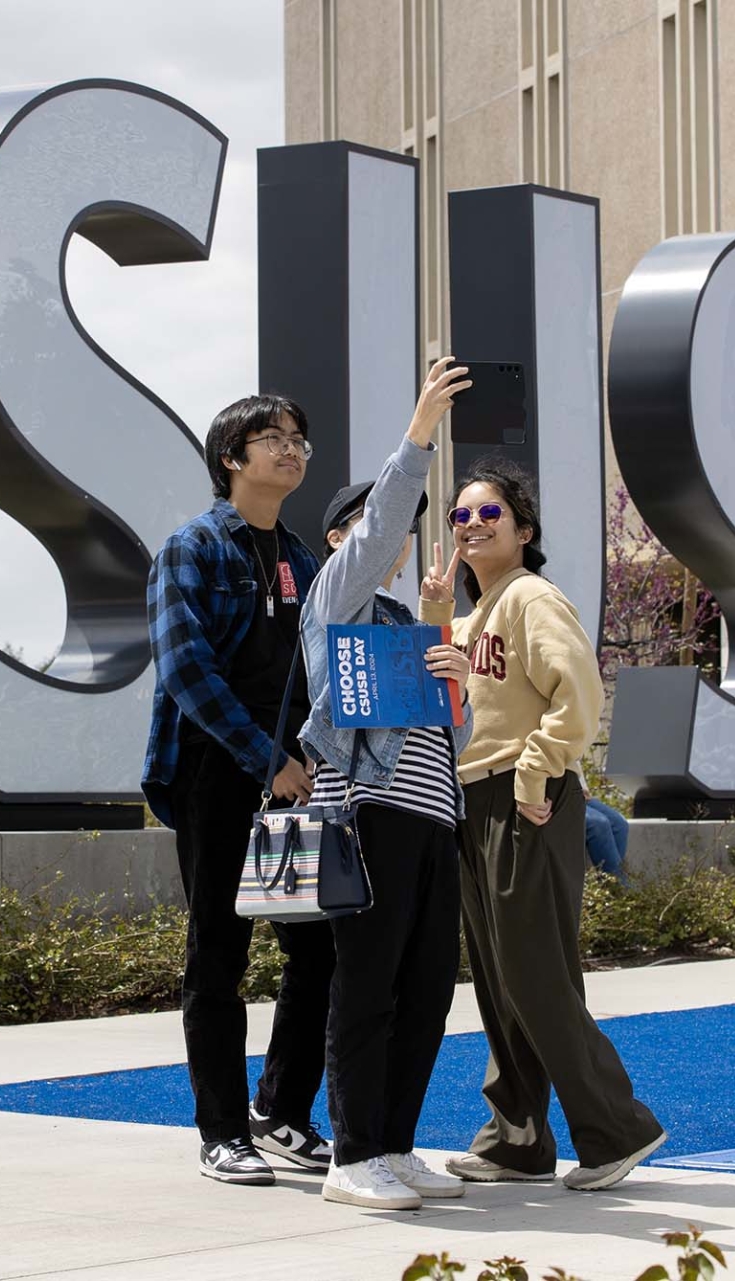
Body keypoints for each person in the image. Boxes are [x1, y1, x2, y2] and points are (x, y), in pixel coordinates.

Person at [422, 460, 667, 1192]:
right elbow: (455, 705)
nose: (471, 526)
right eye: (461, 517)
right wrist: (436, 613)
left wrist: (537, 773)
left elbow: (578, 693)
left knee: (534, 972)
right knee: (500, 979)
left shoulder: (531, 597)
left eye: (488, 514)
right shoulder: (474, 614)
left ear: (524, 532)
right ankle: (516, 1137)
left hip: (525, 798)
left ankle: (618, 1126)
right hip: (475, 799)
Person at [142, 395, 336, 1186]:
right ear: (231, 456)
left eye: (299, 439)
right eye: (272, 439)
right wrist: (267, 760)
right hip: (216, 769)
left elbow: (324, 667)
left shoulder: (302, 556)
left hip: (296, 774)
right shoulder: (191, 547)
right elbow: (187, 670)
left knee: (317, 946)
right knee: (218, 953)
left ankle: (283, 1112)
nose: (291, 451)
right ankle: (221, 1129)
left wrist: (312, 758)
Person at [296, 357, 475, 1211]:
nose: (396, 538)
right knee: (365, 985)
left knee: (429, 984)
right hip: (367, 815)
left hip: (434, 819)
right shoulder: (337, 595)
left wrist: (452, 662)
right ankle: (351, 1152)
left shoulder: (403, 623)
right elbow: (374, 535)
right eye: (377, 527)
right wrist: (417, 437)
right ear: (343, 538)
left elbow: (449, 734)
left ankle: (395, 1142)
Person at [584, 796, 630, 880]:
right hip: (556, 797)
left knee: (619, 825)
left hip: (576, 793)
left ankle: (611, 883)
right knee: (598, 824)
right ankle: (619, 887)